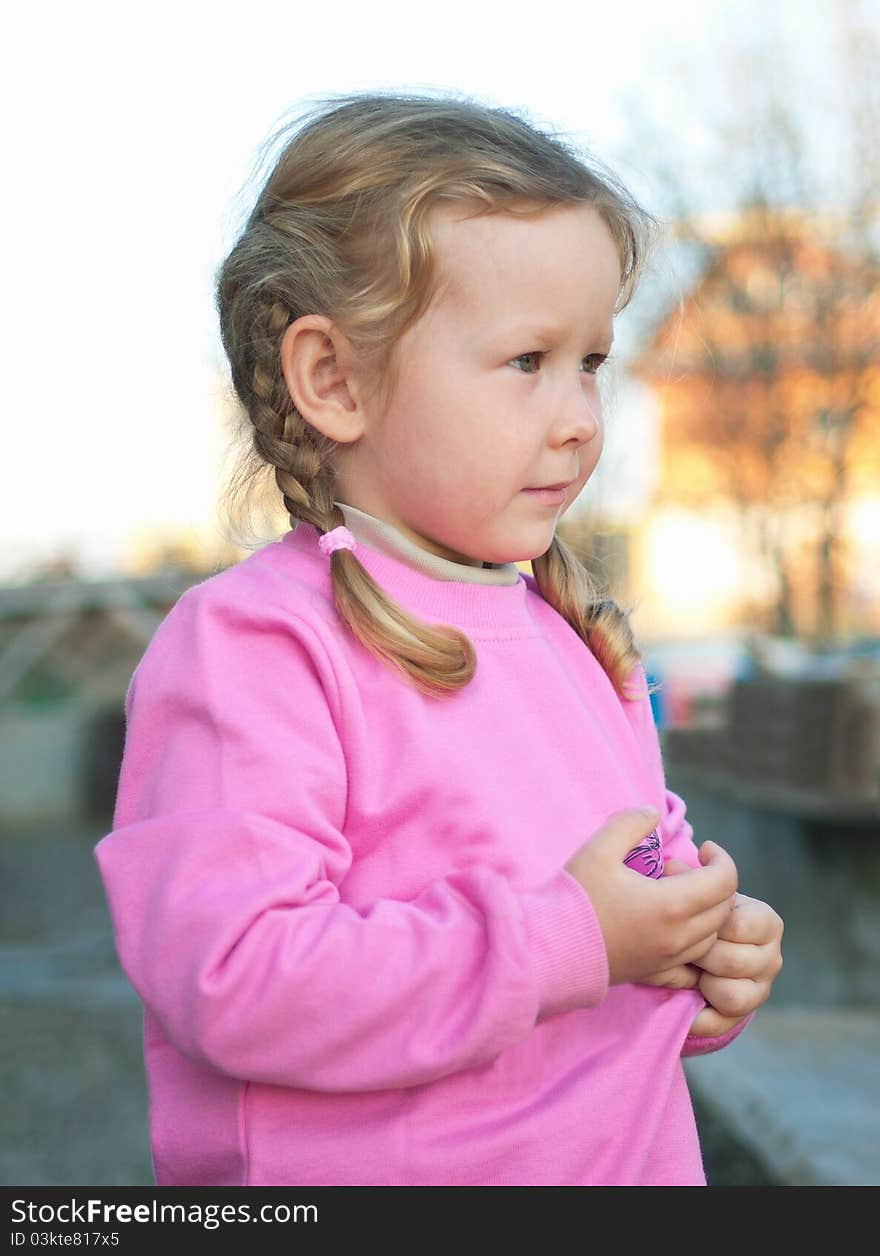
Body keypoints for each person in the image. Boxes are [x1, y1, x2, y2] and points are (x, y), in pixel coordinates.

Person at [95, 91, 783, 1187]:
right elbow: (236, 975)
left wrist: (705, 954)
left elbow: (620, 935)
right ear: (334, 379)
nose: (579, 417)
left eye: (592, 361)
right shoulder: (254, 649)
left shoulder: (578, 641)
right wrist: (575, 938)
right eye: (525, 362)